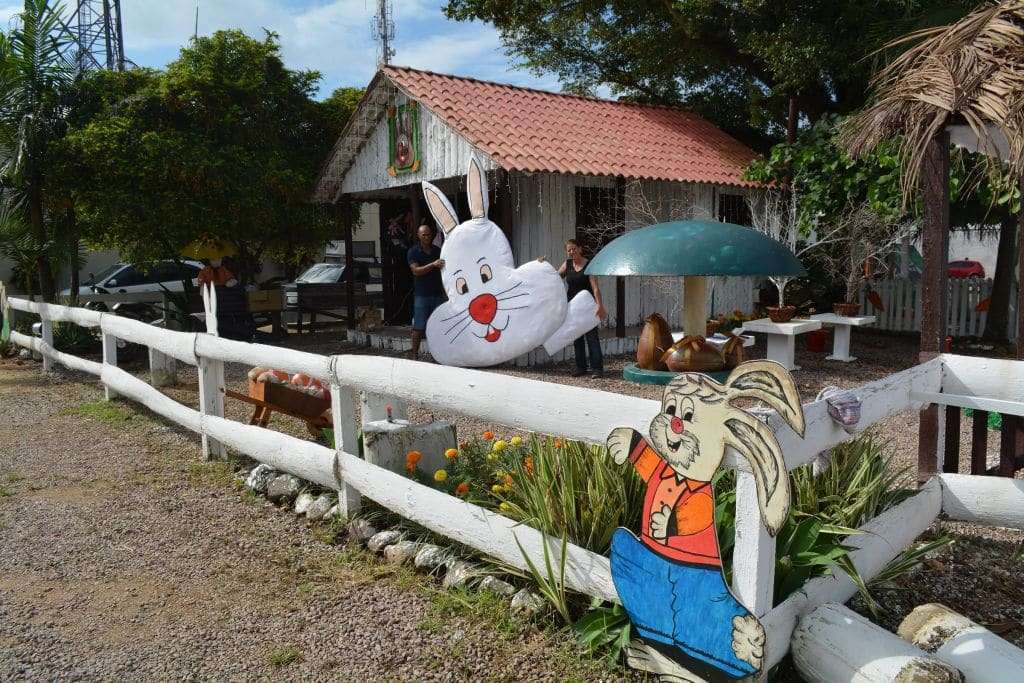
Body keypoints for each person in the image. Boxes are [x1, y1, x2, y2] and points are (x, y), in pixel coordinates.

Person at [559, 239, 606, 377]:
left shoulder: (588, 265)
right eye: (569, 250)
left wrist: (600, 306)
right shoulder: (567, 265)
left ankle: (597, 369)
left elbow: (595, 288)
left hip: (588, 307)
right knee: (577, 338)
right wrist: (541, 267)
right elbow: (553, 278)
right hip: (572, 307)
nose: (572, 252)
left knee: (592, 338)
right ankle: (581, 368)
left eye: (574, 249)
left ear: (580, 248)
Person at [407, 223, 445, 358]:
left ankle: (439, 355)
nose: (426, 237)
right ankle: (414, 354)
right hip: (422, 295)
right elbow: (416, 271)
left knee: (438, 326)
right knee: (419, 326)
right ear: (419, 236)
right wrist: (433, 264)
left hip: (438, 294)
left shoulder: (438, 251)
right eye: (423, 235)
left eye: (428, 234)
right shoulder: (413, 252)